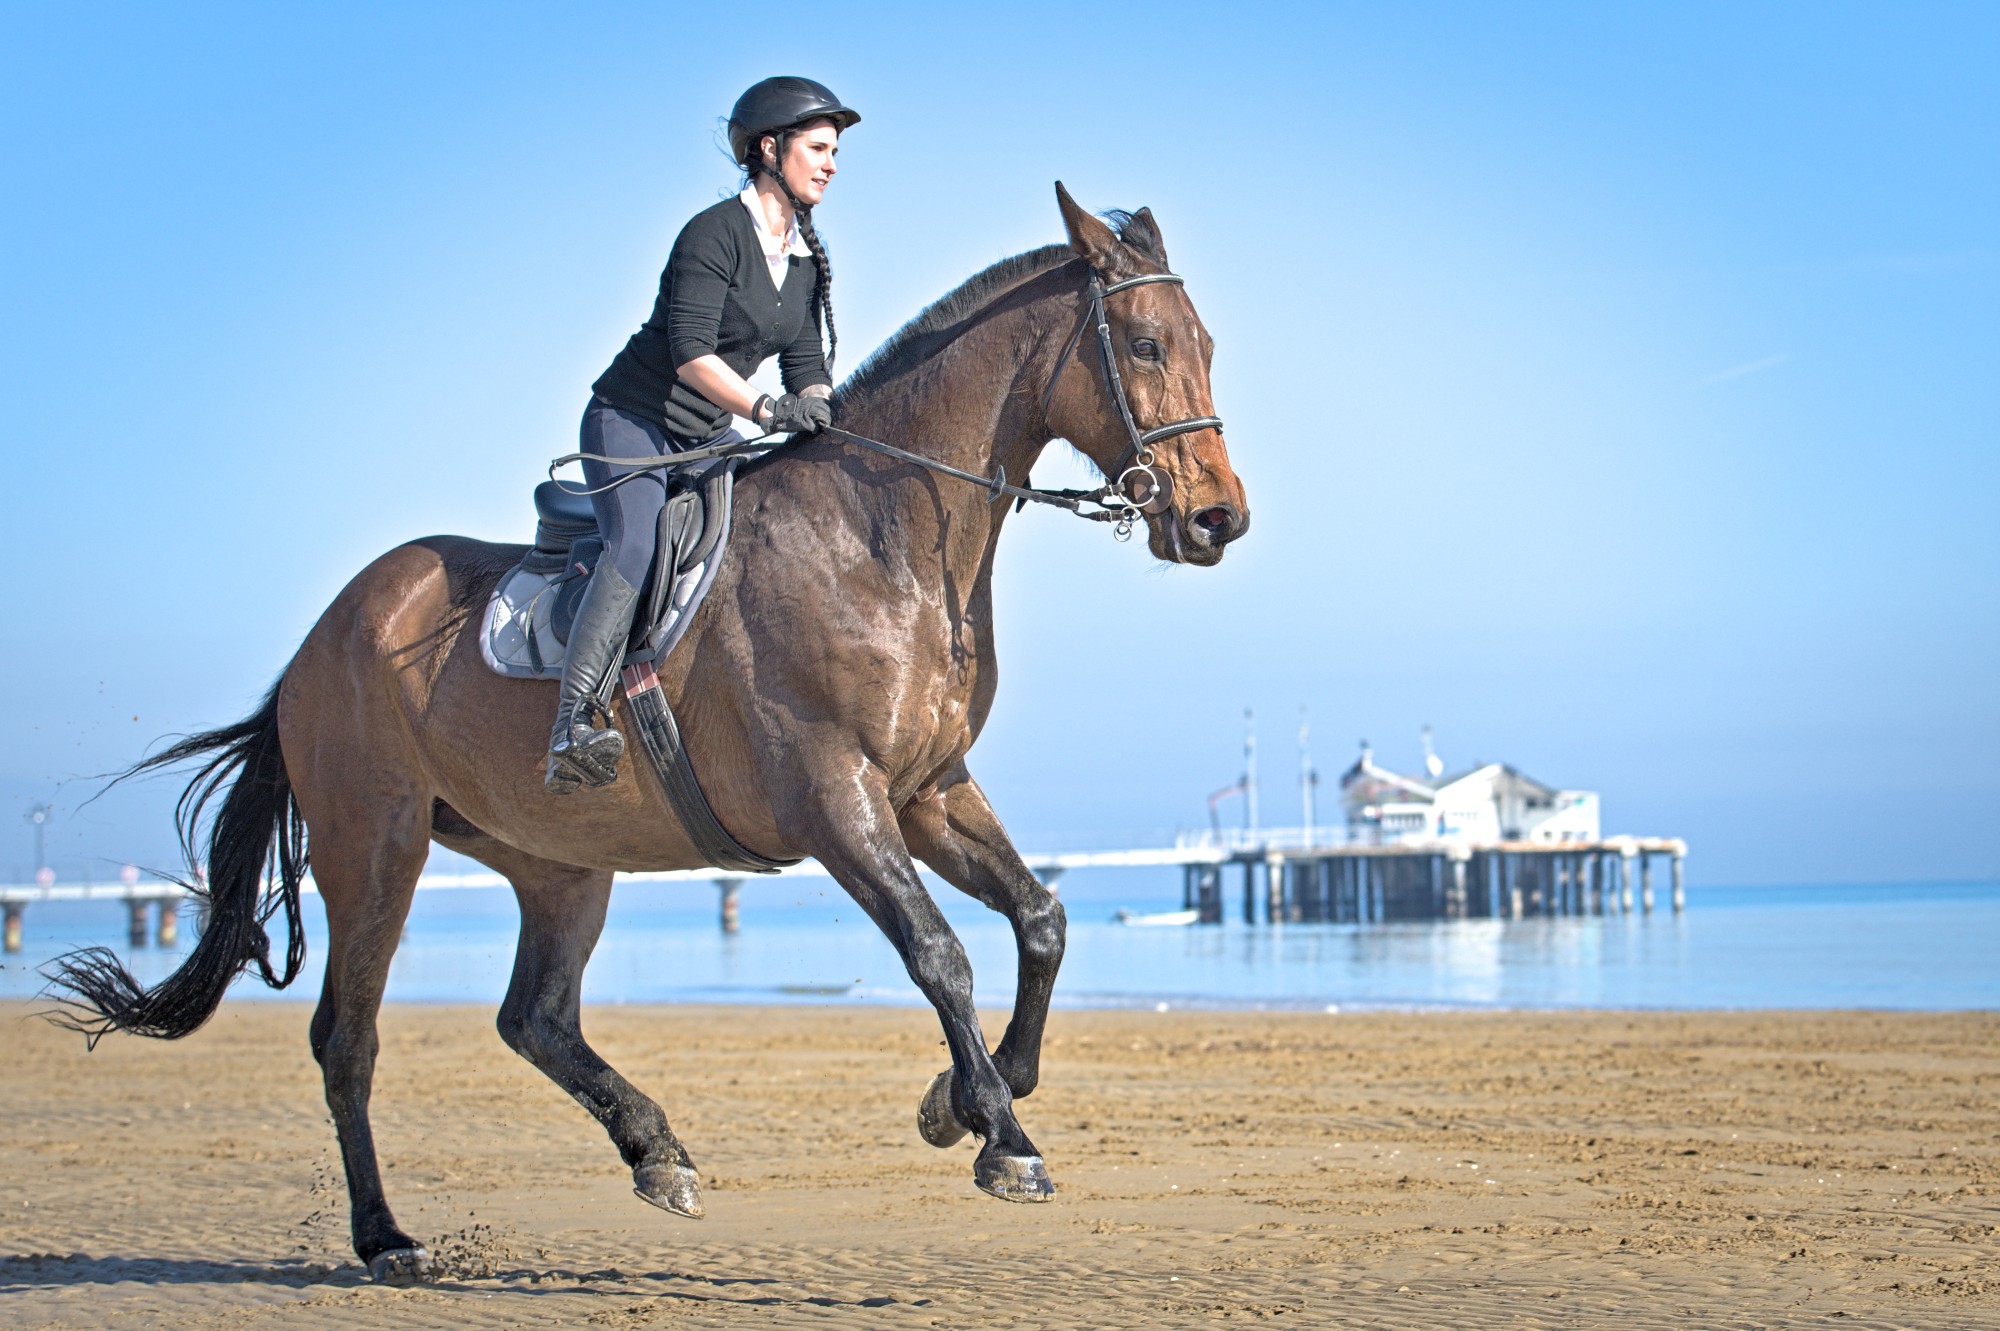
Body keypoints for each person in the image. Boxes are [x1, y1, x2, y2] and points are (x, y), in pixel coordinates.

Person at [546, 77, 860, 795]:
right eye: (819, 148)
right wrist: (768, 410)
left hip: (709, 437)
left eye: (836, 151)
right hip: (635, 420)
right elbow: (690, 353)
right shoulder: (713, 234)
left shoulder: (805, 257)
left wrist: (816, 406)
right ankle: (573, 719)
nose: (832, 163)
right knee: (636, 541)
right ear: (768, 149)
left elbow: (807, 365)